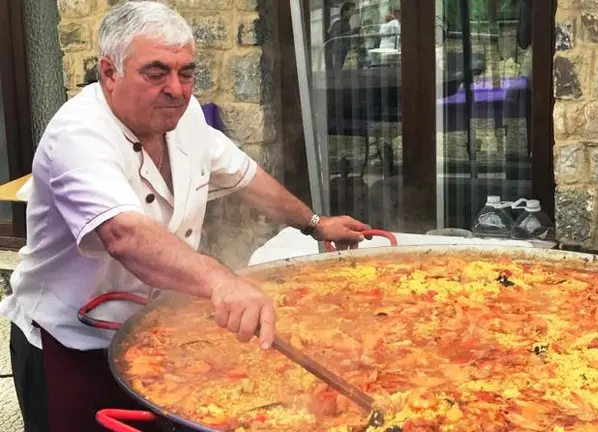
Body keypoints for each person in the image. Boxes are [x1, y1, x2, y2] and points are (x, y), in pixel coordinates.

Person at [0, 2, 370, 431]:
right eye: (155, 73)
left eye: (187, 72)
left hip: (154, 332)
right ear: (109, 73)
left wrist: (313, 223)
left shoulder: (184, 116)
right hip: (70, 342)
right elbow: (125, 236)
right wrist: (222, 282)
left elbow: (245, 175)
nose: (176, 89)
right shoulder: (77, 136)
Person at [326, 2, 358, 71]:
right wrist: (353, 31)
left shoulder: (346, 22)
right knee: (338, 69)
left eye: (353, 10)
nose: (353, 12)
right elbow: (338, 37)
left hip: (344, 50)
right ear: (345, 12)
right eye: (351, 10)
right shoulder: (339, 23)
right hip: (339, 51)